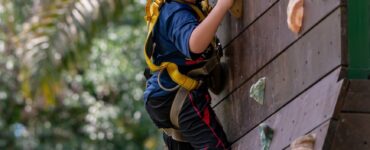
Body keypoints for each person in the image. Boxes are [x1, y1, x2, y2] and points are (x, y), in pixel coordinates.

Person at [143, 0, 233, 149]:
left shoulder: (182, 6)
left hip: (163, 98)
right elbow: (194, 45)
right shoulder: (175, 12)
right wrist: (223, 5)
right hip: (179, 98)